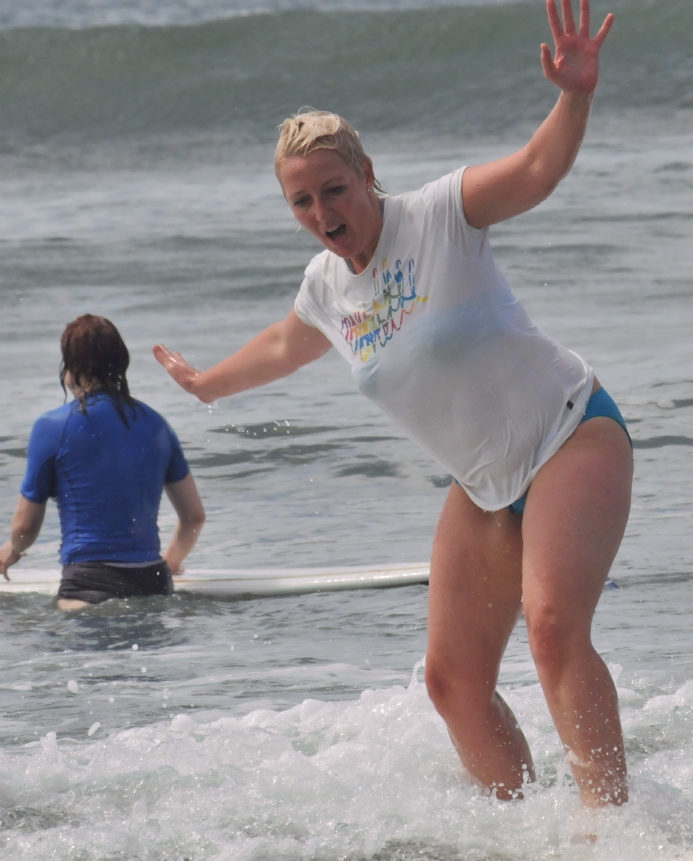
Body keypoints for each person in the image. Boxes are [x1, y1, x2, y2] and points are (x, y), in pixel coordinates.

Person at [152, 0, 629, 806]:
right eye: (302, 204)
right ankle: (532, 830)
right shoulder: (327, 288)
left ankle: (614, 829)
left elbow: (538, 169)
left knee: (552, 629)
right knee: (453, 684)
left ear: (366, 175)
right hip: (482, 486)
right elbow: (283, 344)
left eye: (333, 190)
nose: (322, 215)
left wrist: (574, 96)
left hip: (570, 433)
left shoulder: (443, 213)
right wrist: (205, 386)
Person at [1, 315, 206, 612]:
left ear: (73, 368)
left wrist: (13, 550)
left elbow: (25, 525)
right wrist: (171, 562)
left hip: (88, 586)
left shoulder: (52, 426)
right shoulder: (157, 424)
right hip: (154, 581)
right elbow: (194, 517)